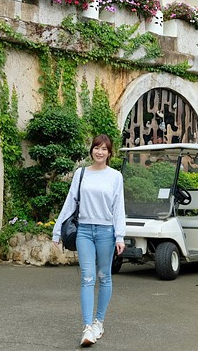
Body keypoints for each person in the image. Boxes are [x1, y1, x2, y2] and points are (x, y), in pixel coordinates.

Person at [52, 134, 126, 347]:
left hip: (106, 232)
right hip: (83, 230)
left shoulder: (115, 177)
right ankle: (87, 328)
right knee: (87, 277)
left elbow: (118, 208)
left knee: (104, 276)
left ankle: (99, 322)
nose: (99, 152)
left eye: (104, 149)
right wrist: (57, 231)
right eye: (96, 148)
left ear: (109, 153)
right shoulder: (81, 173)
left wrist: (119, 235)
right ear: (91, 150)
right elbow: (70, 202)